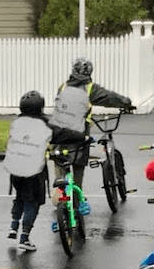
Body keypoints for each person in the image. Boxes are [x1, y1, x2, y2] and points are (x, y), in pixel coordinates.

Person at [3, 90, 89, 251]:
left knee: (20, 197)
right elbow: (61, 134)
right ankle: (25, 238)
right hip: (33, 171)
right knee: (33, 202)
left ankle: (13, 226)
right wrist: (82, 137)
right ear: (40, 108)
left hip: (15, 169)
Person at [49, 57, 134, 212]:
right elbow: (110, 97)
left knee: (61, 165)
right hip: (78, 136)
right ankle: (77, 200)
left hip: (58, 135)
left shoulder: (63, 87)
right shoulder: (90, 89)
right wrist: (126, 102)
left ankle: (60, 197)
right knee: (78, 166)